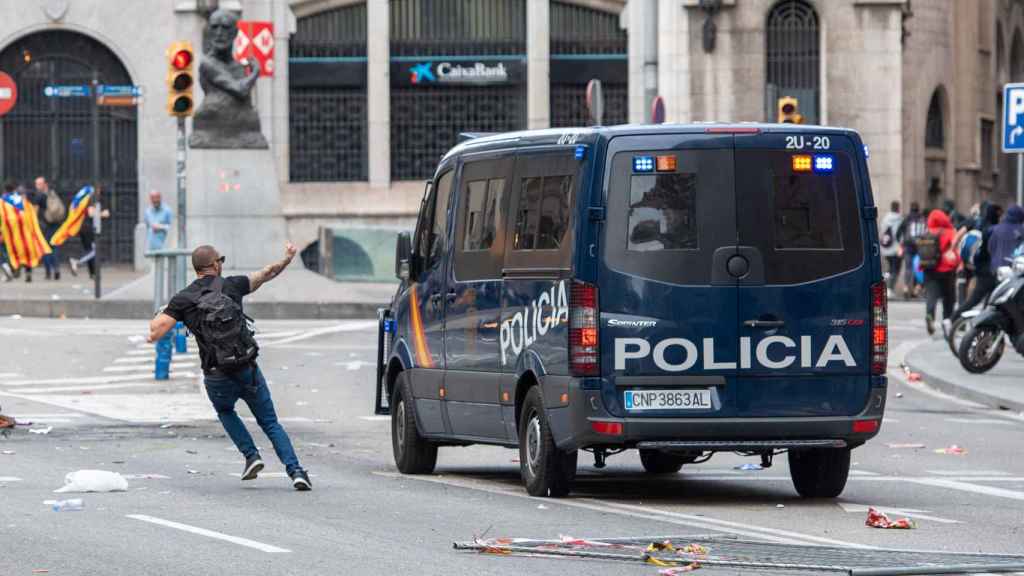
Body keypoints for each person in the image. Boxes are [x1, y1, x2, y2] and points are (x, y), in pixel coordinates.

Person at [146, 243, 312, 491]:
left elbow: (155, 332)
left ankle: (251, 456)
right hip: (247, 369)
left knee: (225, 412)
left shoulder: (184, 299)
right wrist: (287, 259)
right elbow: (266, 273)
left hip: (216, 375)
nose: (221, 263)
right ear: (215, 264)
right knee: (269, 422)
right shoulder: (232, 285)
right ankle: (296, 471)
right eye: (220, 260)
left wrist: (165, 313)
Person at [947, 203, 1003, 330]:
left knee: (971, 295)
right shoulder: (993, 229)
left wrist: (954, 253)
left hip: (970, 262)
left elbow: (958, 235)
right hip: (986, 269)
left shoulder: (975, 221)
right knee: (978, 299)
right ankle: (957, 320)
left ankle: (960, 321)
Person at [922, 209, 959, 335]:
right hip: (947, 270)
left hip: (929, 269)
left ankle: (930, 316)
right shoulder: (950, 232)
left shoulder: (927, 232)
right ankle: (946, 322)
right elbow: (956, 251)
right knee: (948, 298)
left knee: (931, 296)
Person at [33, 177, 64, 280]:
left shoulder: (39, 197)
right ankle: (56, 268)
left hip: (44, 225)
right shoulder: (52, 193)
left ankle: (48, 272)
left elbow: (34, 213)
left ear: (44, 184)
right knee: (55, 247)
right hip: (56, 223)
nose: (37, 186)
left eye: (38, 184)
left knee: (45, 248)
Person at [897, 202, 927, 299]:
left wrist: (900, 243)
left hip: (908, 246)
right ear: (918, 209)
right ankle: (916, 289)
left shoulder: (907, 218)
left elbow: (898, 232)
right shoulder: (923, 219)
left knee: (908, 267)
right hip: (920, 246)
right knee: (918, 268)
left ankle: (906, 288)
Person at [987, 205, 1024, 274]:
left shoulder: (995, 229)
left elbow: (990, 248)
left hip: (997, 270)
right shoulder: (1021, 231)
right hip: (1014, 270)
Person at [879, 201, 904, 297]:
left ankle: (885, 283)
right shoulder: (900, 219)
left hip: (885, 249)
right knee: (895, 269)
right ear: (898, 208)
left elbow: (882, 232)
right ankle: (889, 288)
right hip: (896, 249)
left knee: (889, 268)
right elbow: (901, 235)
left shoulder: (885, 218)